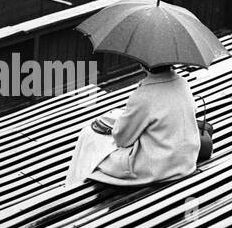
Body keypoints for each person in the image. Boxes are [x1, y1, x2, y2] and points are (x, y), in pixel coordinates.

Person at [64, 64, 202, 188]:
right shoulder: (183, 83)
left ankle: (73, 187)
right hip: (186, 160)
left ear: (143, 65)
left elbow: (122, 139)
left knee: (88, 136)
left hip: (157, 170)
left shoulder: (144, 95)